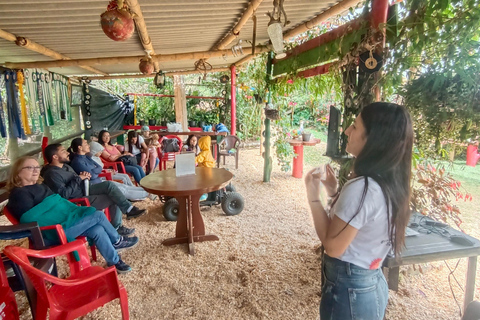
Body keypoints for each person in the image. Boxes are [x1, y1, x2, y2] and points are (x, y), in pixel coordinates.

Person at [304, 102, 414, 320]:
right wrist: (334, 192)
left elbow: (334, 246)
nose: (347, 131)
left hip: (350, 291)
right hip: (370, 283)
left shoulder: (362, 188)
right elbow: (355, 226)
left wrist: (313, 196)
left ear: (373, 139)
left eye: (354, 126)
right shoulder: (388, 181)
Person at [7, 156, 138, 274]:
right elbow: (29, 219)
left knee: (97, 229)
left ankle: (114, 261)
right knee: (98, 215)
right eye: (30, 167)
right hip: (50, 232)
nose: (36, 170)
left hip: (65, 223)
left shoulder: (41, 186)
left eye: (37, 167)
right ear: (18, 172)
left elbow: (58, 203)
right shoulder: (19, 194)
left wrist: (71, 212)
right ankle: (117, 240)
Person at [41, 143, 146, 236]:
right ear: (55, 156)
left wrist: (82, 175)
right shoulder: (52, 174)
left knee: (109, 185)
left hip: (86, 188)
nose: (67, 153)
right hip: (79, 199)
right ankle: (118, 227)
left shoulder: (64, 166)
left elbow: (82, 175)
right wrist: (78, 178)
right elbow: (64, 195)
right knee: (113, 197)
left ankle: (129, 209)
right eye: (63, 151)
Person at [68, 138, 153, 201]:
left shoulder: (86, 157)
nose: (88, 145)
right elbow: (93, 175)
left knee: (123, 186)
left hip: (99, 180)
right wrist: (97, 170)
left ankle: (146, 191)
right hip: (94, 184)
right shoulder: (78, 161)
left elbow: (98, 167)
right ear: (80, 147)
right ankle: (147, 193)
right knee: (121, 189)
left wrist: (96, 170)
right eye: (86, 144)